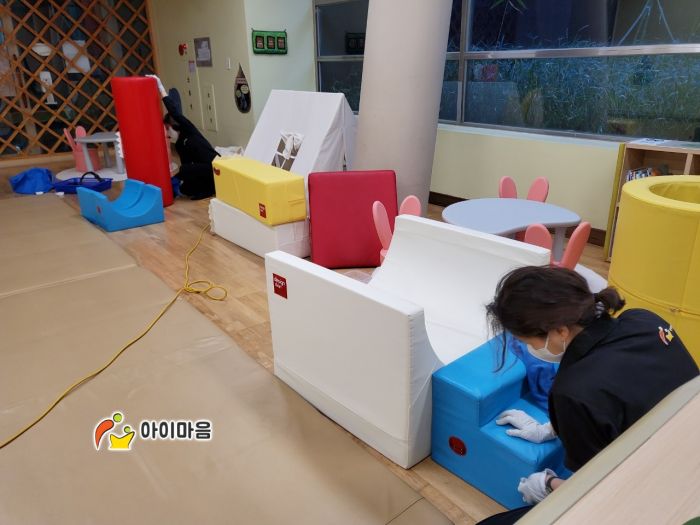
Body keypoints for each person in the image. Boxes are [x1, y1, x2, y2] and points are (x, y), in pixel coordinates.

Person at [478, 266, 698, 524]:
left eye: (528, 342)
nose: (529, 349)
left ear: (560, 331)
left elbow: (601, 491)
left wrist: (549, 485)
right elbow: (636, 394)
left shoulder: (571, 391)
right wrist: (554, 428)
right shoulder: (645, 320)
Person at [147, 75, 218, 200]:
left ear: (174, 125)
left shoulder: (189, 130)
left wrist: (160, 87)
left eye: (167, 129)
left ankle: (211, 189)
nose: (167, 134)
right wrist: (174, 180)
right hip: (202, 171)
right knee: (186, 188)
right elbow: (186, 166)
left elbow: (174, 112)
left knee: (185, 170)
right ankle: (206, 188)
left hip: (215, 167)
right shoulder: (179, 144)